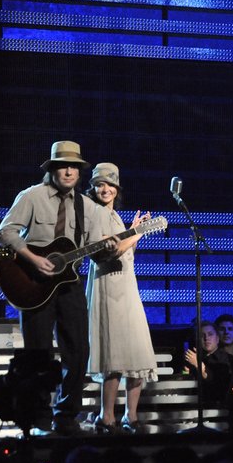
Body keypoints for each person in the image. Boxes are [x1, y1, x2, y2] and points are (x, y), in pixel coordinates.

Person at [0, 141, 116, 436]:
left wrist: (110, 248)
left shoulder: (88, 206)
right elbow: (6, 231)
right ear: (52, 169)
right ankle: (37, 415)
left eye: (74, 166)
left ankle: (67, 415)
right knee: (38, 353)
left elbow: (97, 249)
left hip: (69, 284)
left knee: (78, 349)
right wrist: (33, 259)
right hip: (33, 283)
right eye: (63, 165)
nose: (69, 171)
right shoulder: (32, 196)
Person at [84, 163, 159, 434]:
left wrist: (133, 232)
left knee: (137, 350)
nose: (105, 189)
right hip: (108, 289)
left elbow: (125, 251)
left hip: (127, 287)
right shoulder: (93, 214)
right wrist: (135, 233)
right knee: (113, 354)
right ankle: (107, 417)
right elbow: (109, 251)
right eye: (99, 185)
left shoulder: (114, 216)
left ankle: (132, 415)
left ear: (117, 188)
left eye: (110, 184)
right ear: (92, 188)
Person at [184, 321, 233, 405]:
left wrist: (198, 365)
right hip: (195, 405)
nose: (206, 338)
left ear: (217, 338)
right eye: (202, 335)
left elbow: (217, 383)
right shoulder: (194, 358)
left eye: (210, 334)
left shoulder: (227, 359)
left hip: (217, 407)